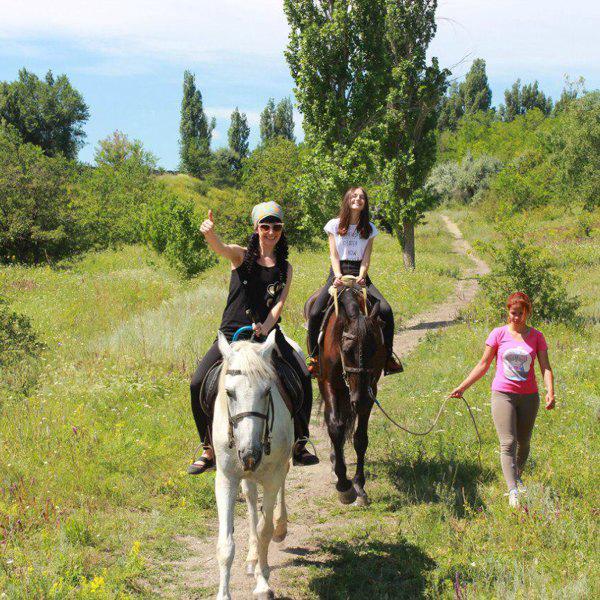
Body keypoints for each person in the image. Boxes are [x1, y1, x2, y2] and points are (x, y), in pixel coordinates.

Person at [188, 201, 318, 474]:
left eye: (276, 226)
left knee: (303, 376)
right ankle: (208, 448)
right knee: (197, 381)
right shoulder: (241, 256)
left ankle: (300, 442)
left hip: (267, 335)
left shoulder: (286, 267)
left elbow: (279, 304)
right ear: (256, 228)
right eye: (265, 226)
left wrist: (266, 326)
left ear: (282, 229)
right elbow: (221, 248)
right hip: (232, 334)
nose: (271, 231)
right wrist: (210, 234)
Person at [449, 292, 555, 507]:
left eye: (521, 314)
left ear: (527, 314)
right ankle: (513, 491)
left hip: (529, 397)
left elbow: (545, 367)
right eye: (513, 313)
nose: (516, 318)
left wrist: (550, 391)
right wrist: (463, 387)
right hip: (503, 394)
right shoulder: (498, 334)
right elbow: (483, 364)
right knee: (508, 442)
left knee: (524, 443)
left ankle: (517, 475)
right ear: (508, 312)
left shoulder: (537, 336)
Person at [307, 186, 403, 376]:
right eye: (354, 196)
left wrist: (362, 275)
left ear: (365, 203)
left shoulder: (369, 229)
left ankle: (388, 358)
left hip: (359, 274)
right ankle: (314, 358)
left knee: (386, 310)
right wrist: (337, 277)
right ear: (347, 199)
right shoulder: (333, 225)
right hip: (338, 272)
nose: (357, 199)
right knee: (316, 311)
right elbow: (334, 255)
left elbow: (366, 257)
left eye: (361, 197)